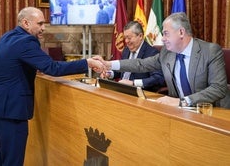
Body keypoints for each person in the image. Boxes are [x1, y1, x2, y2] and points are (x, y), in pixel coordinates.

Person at [0, 7, 104, 166]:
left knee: (1, 156)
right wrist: (87, 62)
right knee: (12, 160)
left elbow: (19, 65)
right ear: (26, 23)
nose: (43, 28)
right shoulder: (26, 41)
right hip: (12, 110)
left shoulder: (7, 37)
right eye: (40, 23)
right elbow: (53, 68)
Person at [97, 12, 230, 108]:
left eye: (166, 33)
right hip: (177, 112)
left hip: (211, 111)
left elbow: (218, 88)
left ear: (181, 32)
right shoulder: (167, 52)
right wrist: (108, 64)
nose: (163, 38)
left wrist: (182, 101)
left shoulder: (210, 51)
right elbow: (141, 64)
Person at [103, 21, 165, 92]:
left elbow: (158, 78)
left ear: (140, 36)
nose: (126, 41)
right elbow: (120, 71)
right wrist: (109, 74)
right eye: (125, 38)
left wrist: (133, 83)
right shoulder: (126, 50)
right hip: (121, 90)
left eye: (129, 38)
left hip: (139, 93)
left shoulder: (152, 53)